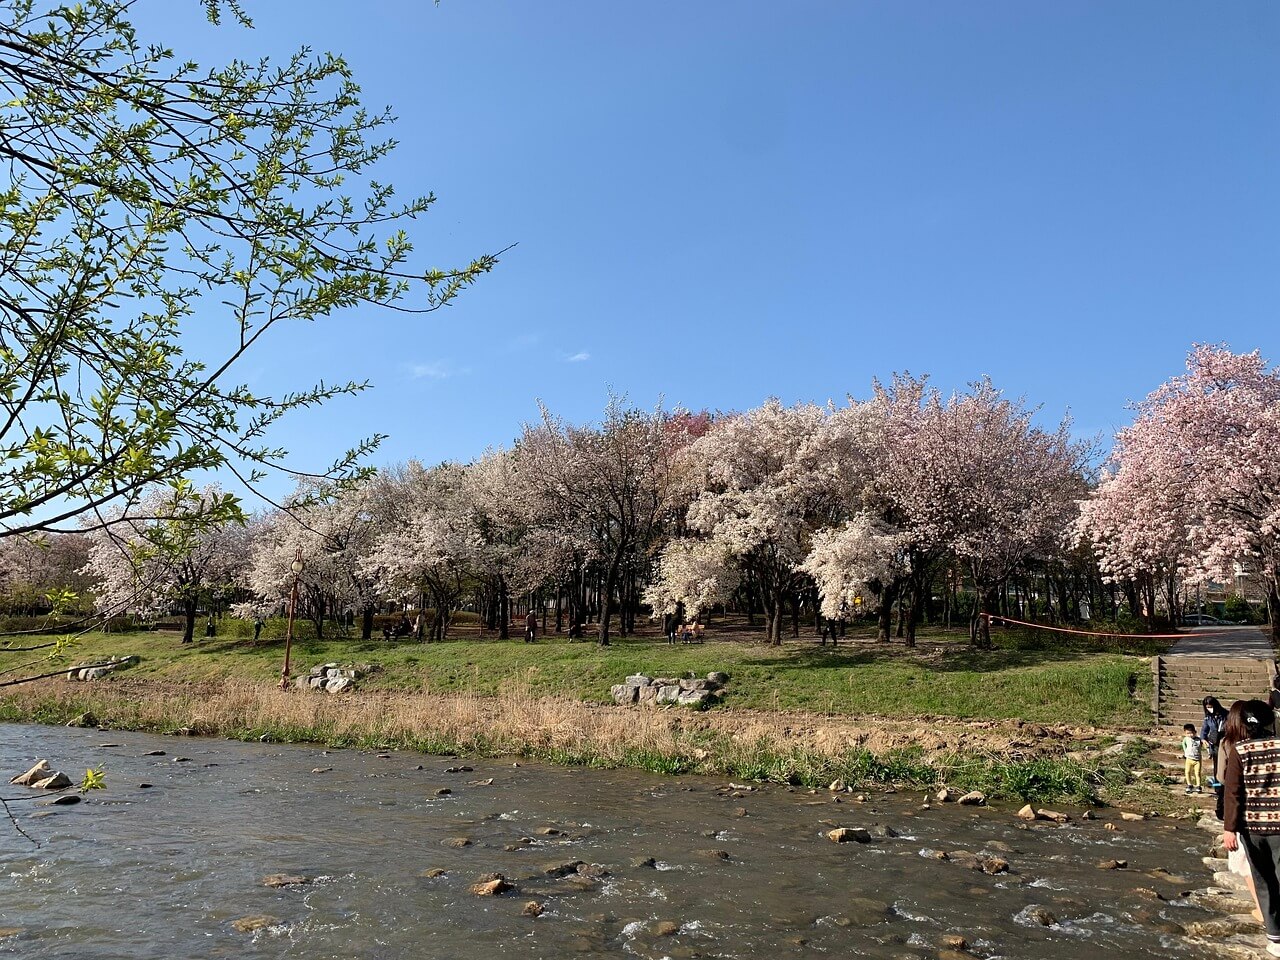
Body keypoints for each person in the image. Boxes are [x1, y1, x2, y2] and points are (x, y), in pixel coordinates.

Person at [1221, 700, 1267, 926]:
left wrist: (1228, 827)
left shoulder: (1231, 745)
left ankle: (1263, 910)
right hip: (1269, 813)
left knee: (1248, 866)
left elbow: (1224, 781)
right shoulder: (1264, 744)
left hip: (1244, 817)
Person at [1203, 696, 1228, 787]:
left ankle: (1226, 786)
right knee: (1217, 767)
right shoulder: (1208, 717)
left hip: (1224, 743)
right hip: (1215, 746)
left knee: (1225, 767)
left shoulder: (1225, 715)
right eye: (1207, 707)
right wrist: (1203, 739)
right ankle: (1218, 789)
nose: (1209, 709)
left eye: (1211, 706)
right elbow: (1204, 730)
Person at [1181, 723, 1204, 795]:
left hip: (1197, 760)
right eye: (1188, 733)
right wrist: (1185, 751)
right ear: (1185, 733)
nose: (1190, 735)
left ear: (1195, 732)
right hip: (1189, 759)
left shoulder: (1199, 740)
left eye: (1191, 733)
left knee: (1197, 773)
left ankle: (1198, 786)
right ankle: (1189, 785)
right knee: (1187, 772)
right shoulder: (1186, 739)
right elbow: (1183, 744)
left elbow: (1204, 745)